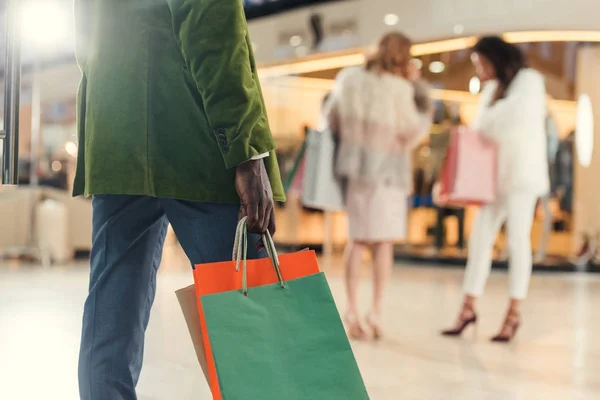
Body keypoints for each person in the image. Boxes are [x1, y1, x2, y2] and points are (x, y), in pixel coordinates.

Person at [73, 1, 284, 398]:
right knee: (247, 307)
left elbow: (88, 38)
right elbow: (213, 28)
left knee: (110, 318)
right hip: (194, 138)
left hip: (116, 134)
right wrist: (245, 148)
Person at [325, 32, 432, 340]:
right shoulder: (400, 89)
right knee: (384, 242)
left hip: (357, 171)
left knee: (357, 240)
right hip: (387, 174)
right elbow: (412, 132)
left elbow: (331, 117)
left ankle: (351, 308)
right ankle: (375, 310)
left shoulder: (349, 79)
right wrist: (417, 88)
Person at [442, 36, 550, 342]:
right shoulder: (491, 90)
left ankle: (514, 313)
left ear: (496, 59)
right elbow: (484, 128)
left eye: (482, 63)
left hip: (522, 177)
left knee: (517, 241)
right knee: (479, 241)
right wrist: (490, 121)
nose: (479, 71)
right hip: (492, 178)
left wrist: (489, 120)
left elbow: (505, 120)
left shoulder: (530, 81)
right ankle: (467, 308)